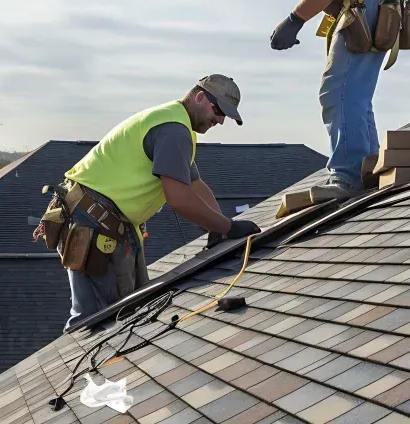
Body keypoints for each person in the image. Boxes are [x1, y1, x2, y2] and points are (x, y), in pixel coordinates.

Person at [36, 74, 262, 331]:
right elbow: (179, 198)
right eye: (219, 110)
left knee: (131, 311)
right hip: (94, 222)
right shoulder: (173, 130)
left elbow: (196, 186)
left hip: (108, 222)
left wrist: (219, 226)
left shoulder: (176, 124)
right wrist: (228, 228)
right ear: (200, 97)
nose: (220, 120)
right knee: (97, 320)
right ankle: (84, 372)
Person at [233, 0, 402, 201]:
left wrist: (295, 20)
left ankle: (348, 176)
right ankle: (366, 170)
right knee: (353, 92)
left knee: (337, 89)